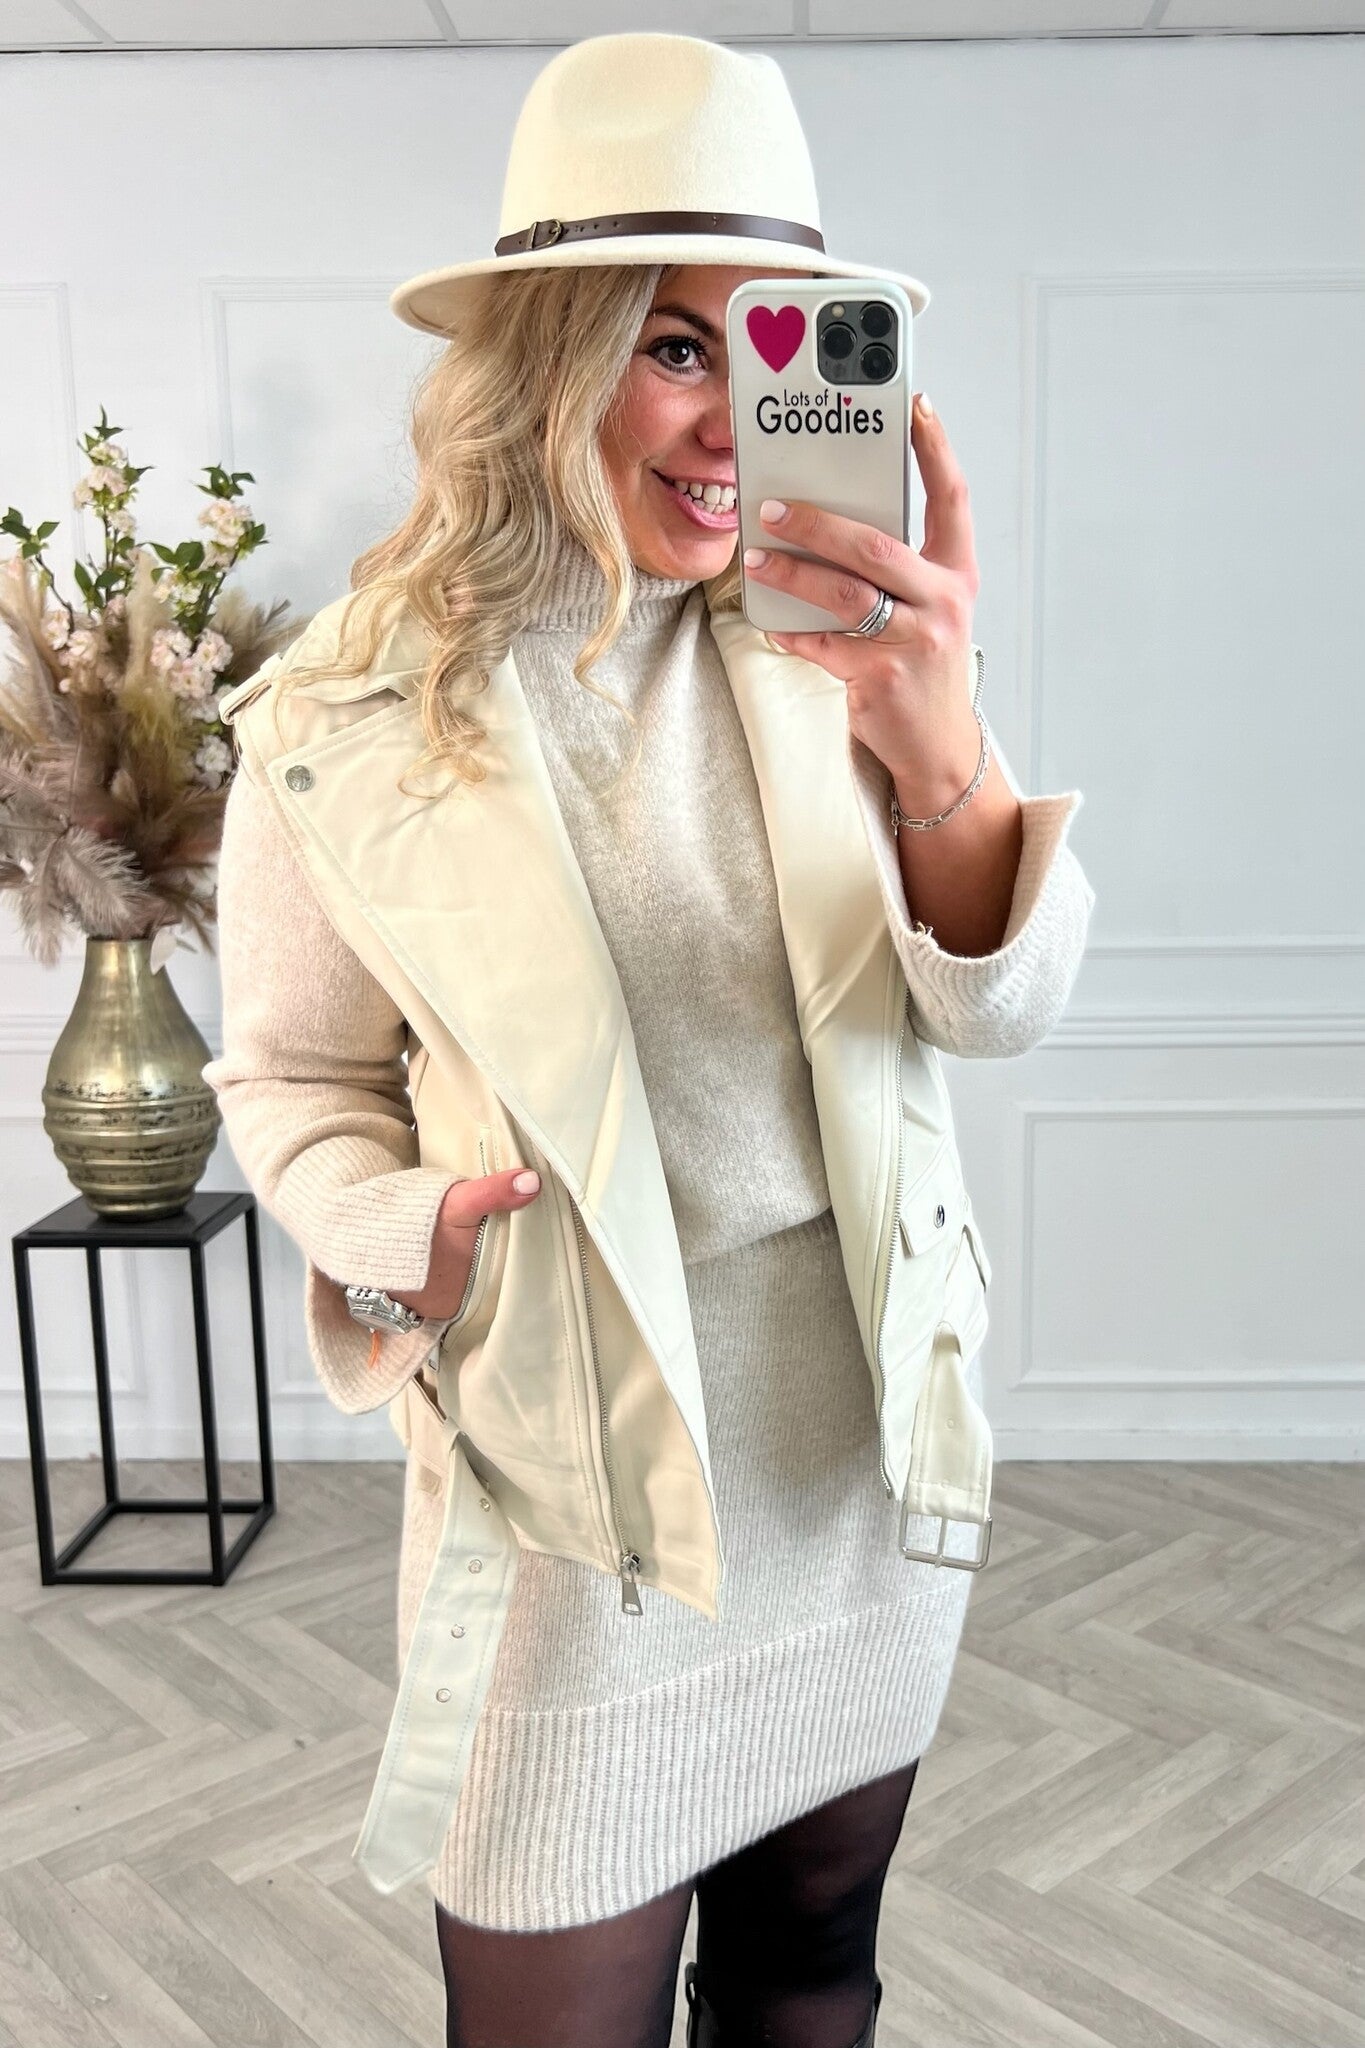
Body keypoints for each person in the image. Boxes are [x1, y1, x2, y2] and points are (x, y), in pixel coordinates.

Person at [203, 31, 1095, 2048]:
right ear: (550, 356)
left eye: (769, 347)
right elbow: (294, 1081)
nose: (727, 421)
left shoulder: (844, 640)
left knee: (811, 1971)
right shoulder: (347, 717)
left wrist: (937, 739)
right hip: (572, 1502)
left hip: (851, 1456)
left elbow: (1003, 1006)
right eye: (672, 345)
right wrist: (403, 1236)